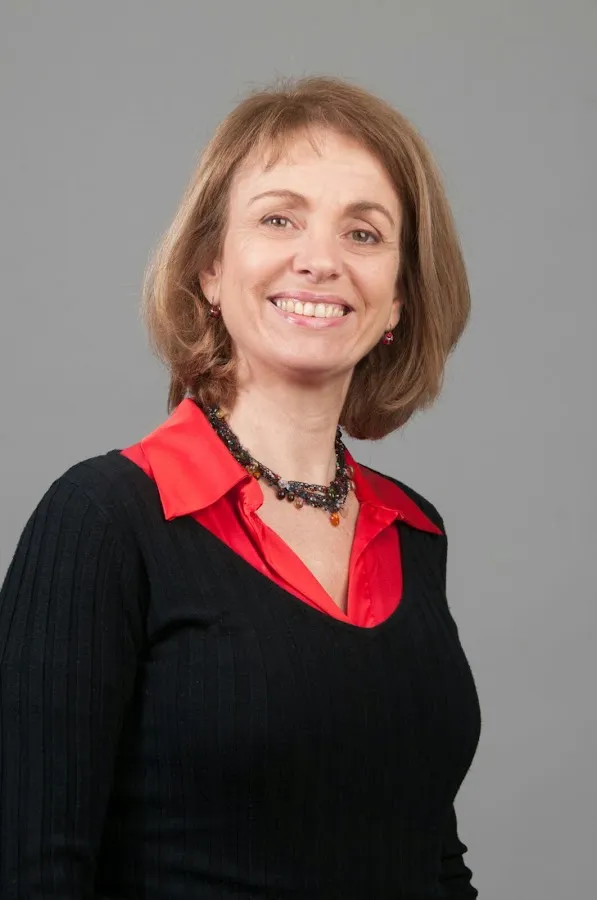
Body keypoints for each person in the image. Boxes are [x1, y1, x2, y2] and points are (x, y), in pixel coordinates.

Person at [0, 75, 482, 899]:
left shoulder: (413, 532)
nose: (320, 260)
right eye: (278, 219)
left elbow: (429, 859)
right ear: (210, 270)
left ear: (398, 297)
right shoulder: (104, 520)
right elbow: (30, 873)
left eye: (363, 233)